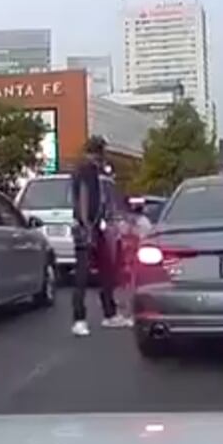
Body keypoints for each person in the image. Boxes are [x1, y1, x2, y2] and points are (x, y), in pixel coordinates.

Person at [69, 135, 129, 336]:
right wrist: (86, 225)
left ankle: (109, 313)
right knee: (84, 274)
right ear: (98, 152)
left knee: (104, 271)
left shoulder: (87, 169)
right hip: (88, 227)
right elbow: (84, 197)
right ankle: (81, 319)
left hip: (94, 226)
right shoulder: (86, 170)